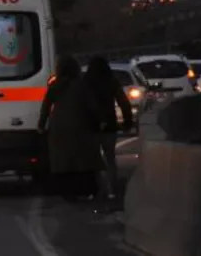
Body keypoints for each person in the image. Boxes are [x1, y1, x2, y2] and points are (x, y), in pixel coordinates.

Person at [37, 55, 108, 203]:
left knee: (63, 161)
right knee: (84, 160)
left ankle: (67, 192)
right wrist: (101, 120)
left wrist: (41, 125)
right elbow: (91, 105)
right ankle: (88, 189)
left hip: (58, 128)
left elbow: (46, 106)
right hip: (80, 126)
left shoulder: (55, 86)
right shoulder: (81, 85)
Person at [83, 56, 134, 204]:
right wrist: (127, 122)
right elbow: (123, 102)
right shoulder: (111, 82)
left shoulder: (85, 83)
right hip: (110, 125)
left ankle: (97, 190)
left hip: (90, 126)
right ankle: (112, 189)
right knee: (110, 158)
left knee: (93, 161)